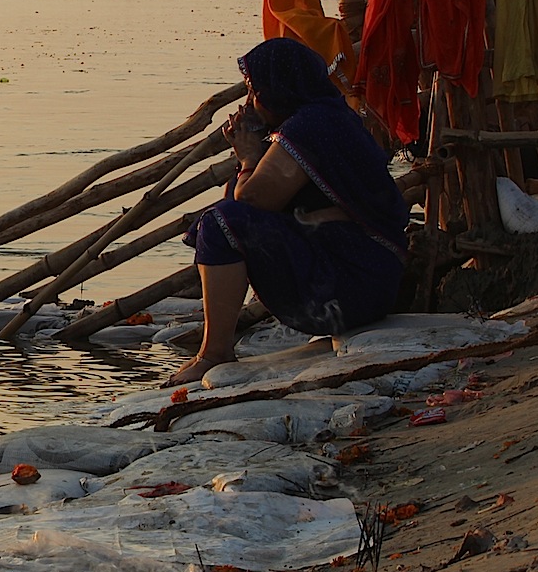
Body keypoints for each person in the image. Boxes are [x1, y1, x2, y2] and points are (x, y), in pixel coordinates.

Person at [166, 38, 408, 386]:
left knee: (220, 224)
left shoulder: (311, 125)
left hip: (354, 285)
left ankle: (214, 354)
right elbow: (242, 200)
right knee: (222, 222)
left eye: (255, 91)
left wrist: (248, 156)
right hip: (368, 280)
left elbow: (249, 203)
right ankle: (214, 350)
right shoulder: (327, 116)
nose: (250, 103)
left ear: (279, 88)